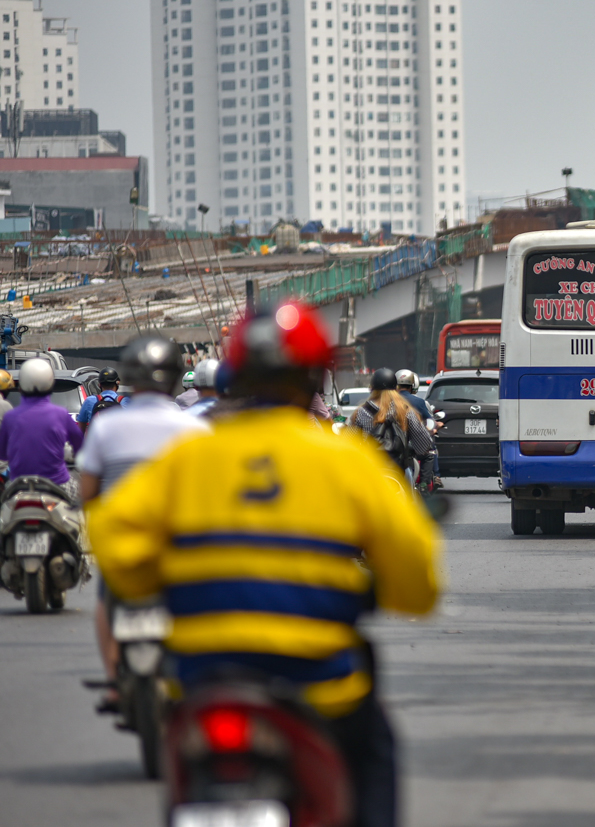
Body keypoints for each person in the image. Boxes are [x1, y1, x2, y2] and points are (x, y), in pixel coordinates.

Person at [86, 302, 441, 827]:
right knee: (375, 752)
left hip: (203, 680)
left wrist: (173, 580)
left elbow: (116, 547)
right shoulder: (346, 460)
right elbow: (419, 586)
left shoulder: (187, 458)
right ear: (313, 376)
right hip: (321, 686)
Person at [76, 336, 210, 711]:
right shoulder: (193, 429)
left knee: (107, 600)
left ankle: (115, 680)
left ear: (130, 379)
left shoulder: (105, 427)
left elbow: (87, 492)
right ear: (174, 379)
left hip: (123, 544)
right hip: (177, 544)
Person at [0, 359, 84, 498]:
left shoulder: (11, 416)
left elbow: (2, 453)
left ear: (20, 387)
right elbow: (80, 447)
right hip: (58, 484)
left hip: (18, 487)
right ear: (51, 385)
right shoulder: (61, 414)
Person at [349, 368, 434, 482]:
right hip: (398, 473)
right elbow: (423, 445)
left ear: (372, 388)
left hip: (369, 473)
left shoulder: (361, 412)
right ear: (396, 388)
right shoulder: (405, 411)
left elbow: (347, 444)